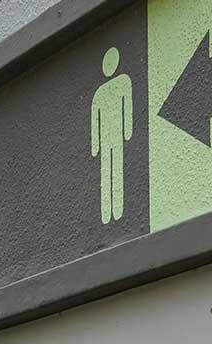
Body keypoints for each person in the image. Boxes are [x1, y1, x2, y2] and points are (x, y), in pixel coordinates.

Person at [91, 47, 133, 224]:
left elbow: (127, 107)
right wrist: (95, 146)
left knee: (117, 168)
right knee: (106, 172)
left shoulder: (124, 82)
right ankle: (107, 212)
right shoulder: (99, 93)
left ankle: (117, 210)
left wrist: (128, 131)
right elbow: (95, 119)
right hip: (105, 138)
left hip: (116, 135)